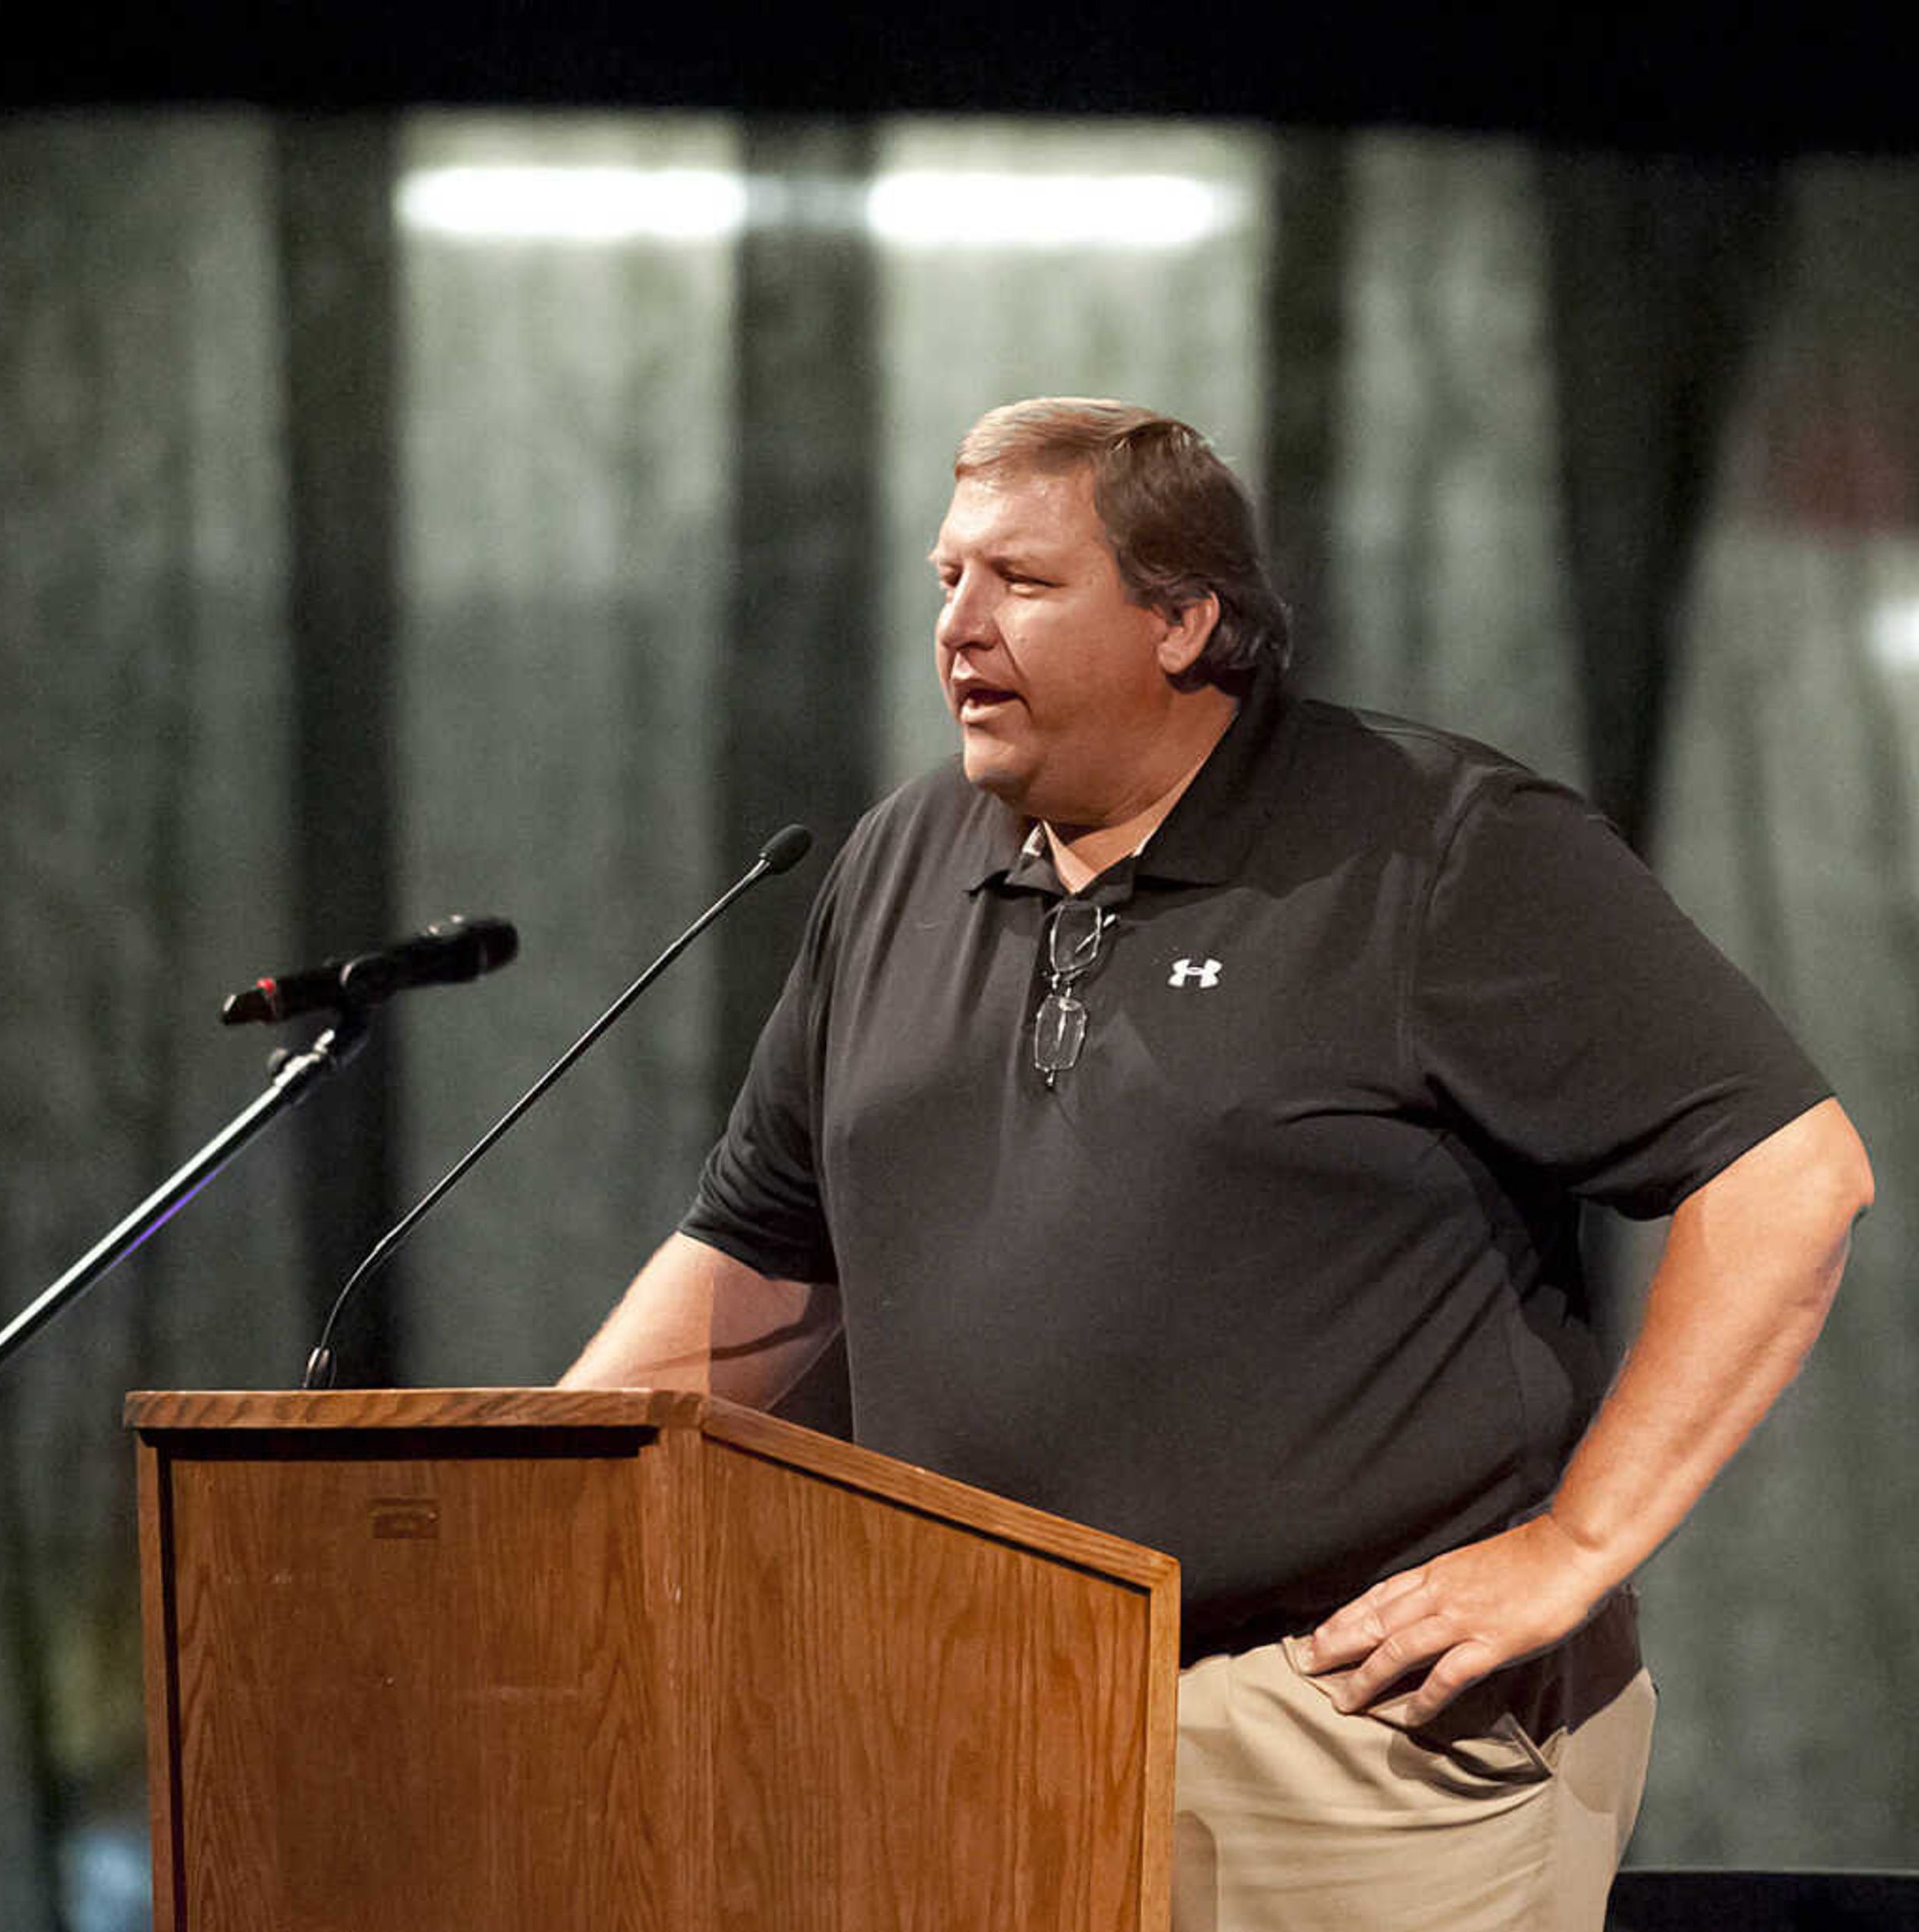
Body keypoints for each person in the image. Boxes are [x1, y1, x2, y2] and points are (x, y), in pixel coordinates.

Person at [562, 397, 1872, 1932]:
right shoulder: (900, 864)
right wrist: (535, 1520)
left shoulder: (1438, 848)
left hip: (1349, 1738)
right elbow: (763, 1251)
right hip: (958, 1724)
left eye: (1023, 584)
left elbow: (1790, 1177)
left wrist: (1576, 1545)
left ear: (1185, 621)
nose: (960, 628)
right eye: (946, 580)